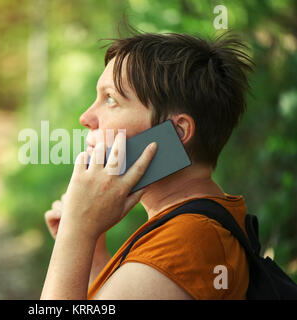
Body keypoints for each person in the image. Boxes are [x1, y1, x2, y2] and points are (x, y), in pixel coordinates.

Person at [41, 32, 254, 300]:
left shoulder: (187, 242)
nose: (86, 117)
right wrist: (91, 248)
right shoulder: (191, 228)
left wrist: (75, 235)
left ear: (176, 132)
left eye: (111, 99)